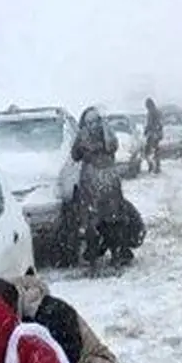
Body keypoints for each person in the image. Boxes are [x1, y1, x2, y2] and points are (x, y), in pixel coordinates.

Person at [71, 106, 124, 266]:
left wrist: (86, 150)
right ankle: (114, 255)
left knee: (92, 222)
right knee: (112, 219)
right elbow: (114, 147)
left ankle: (95, 258)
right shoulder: (107, 132)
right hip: (108, 180)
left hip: (92, 181)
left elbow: (75, 155)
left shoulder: (84, 134)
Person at [143, 98, 164, 174]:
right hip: (156, 134)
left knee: (147, 152)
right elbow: (160, 124)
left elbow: (151, 124)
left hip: (152, 135)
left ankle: (152, 165)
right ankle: (156, 166)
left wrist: (146, 130)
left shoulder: (151, 113)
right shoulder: (157, 112)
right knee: (155, 151)